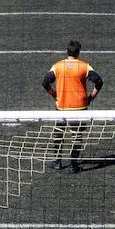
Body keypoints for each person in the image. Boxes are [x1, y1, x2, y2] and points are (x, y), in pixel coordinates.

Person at [41, 40, 103, 174]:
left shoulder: (57, 66)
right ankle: (73, 165)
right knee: (76, 136)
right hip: (79, 108)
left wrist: (54, 95)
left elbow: (45, 82)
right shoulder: (84, 66)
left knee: (58, 133)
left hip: (62, 107)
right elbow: (99, 81)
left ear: (67, 51)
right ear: (78, 52)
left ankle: (57, 161)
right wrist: (91, 97)